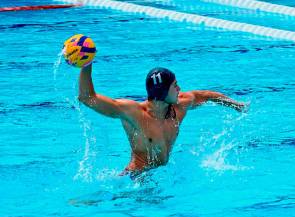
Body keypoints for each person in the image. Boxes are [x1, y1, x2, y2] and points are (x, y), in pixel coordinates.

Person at [78, 64, 248, 175]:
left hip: (162, 175)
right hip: (135, 179)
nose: (179, 89)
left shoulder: (179, 107)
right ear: (162, 91)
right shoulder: (135, 113)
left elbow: (205, 95)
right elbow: (87, 97)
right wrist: (86, 65)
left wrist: (236, 105)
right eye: (174, 86)